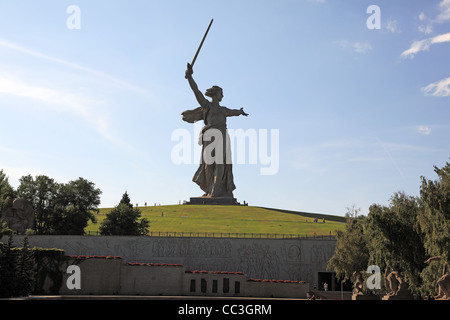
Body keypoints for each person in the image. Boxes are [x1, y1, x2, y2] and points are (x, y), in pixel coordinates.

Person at [182, 64, 248, 198]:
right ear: (215, 94)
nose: (222, 95)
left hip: (222, 138)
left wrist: (240, 112)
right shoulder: (207, 106)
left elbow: (232, 112)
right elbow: (197, 92)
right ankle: (209, 189)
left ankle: (217, 191)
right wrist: (190, 77)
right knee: (208, 165)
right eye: (221, 93)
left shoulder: (223, 110)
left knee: (221, 164)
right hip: (210, 137)